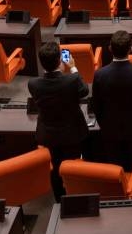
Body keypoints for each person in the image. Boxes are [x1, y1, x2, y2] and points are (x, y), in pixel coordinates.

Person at [27, 42, 90, 200]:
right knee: (73, 166)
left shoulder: (33, 84)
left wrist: (60, 70)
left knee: (55, 169)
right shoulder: (72, 80)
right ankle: (75, 195)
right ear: (60, 61)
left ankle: (59, 200)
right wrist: (73, 67)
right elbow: (84, 91)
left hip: (48, 136)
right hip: (73, 134)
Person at [90, 31, 132, 171]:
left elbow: (96, 104)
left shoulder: (100, 74)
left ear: (110, 49)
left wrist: (104, 124)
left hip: (110, 129)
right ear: (131, 48)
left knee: (115, 165)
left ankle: (118, 191)